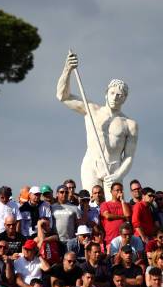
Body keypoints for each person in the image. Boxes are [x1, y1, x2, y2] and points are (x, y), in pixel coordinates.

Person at [57, 52, 138, 196]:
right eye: (112, 93)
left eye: (119, 95)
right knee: (91, 202)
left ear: (124, 98)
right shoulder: (92, 109)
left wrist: (118, 175)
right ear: (106, 93)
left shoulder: (130, 124)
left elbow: (129, 156)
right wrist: (67, 69)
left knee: (113, 205)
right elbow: (62, 96)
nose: (115, 97)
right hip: (91, 164)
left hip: (113, 169)